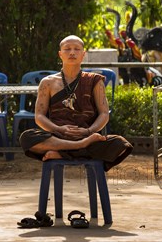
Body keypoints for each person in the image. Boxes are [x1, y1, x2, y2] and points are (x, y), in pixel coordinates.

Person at [19, 35, 133, 171]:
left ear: (83, 54)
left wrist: (88, 131)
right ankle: (80, 147)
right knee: (27, 137)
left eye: (77, 49)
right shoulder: (47, 82)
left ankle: (62, 153)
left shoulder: (95, 80)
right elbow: (39, 117)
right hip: (58, 136)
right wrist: (58, 129)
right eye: (67, 49)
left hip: (87, 134)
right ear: (60, 54)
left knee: (120, 144)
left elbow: (104, 113)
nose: (72, 52)